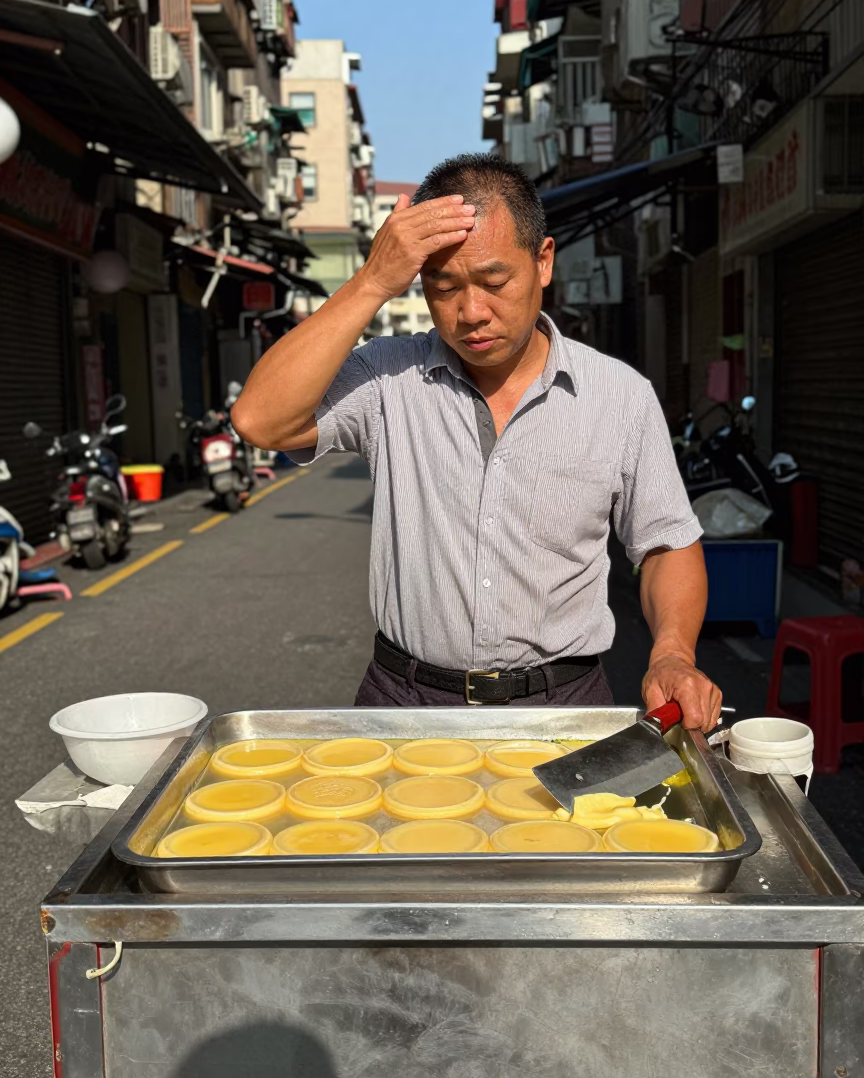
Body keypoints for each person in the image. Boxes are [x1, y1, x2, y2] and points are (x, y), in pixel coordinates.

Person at [232, 154, 721, 730]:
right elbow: (261, 421)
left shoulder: (620, 397)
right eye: (443, 288)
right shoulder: (389, 379)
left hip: (564, 704)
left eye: (494, 282)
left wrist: (671, 653)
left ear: (543, 262)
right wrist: (372, 282)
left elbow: (665, 542)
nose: (471, 313)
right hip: (405, 702)